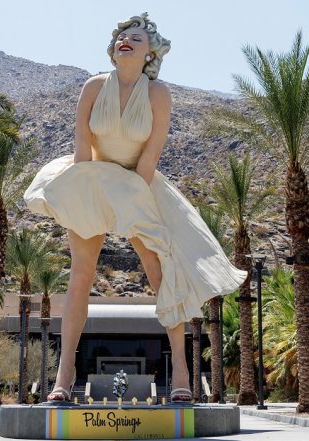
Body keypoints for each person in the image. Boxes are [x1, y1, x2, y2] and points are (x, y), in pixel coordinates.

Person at [24, 13, 246, 403]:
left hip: (138, 185)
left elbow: (151, 155)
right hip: (91, 177)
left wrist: (132, 203)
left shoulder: (158, 95)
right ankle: (63, 375)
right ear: (114, 48)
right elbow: (81, 145)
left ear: (150, 54)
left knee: (161, 273)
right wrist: (82, 192)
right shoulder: (93, 86)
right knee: (80, 275)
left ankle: (180, 368)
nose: (126, 40)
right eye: (122, 36)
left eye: (137, 38)